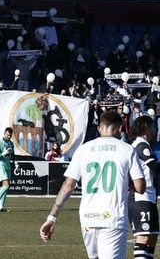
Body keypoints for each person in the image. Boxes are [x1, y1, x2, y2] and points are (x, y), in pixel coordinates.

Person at [39, 110, 146, 259]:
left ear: (99, 128)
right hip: (113, 218)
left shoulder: (83, 149)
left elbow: (67, 186)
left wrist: (52, 218)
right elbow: (140, 187)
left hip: (88, 218)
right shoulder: (127, 149)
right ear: (120, 128)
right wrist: (123, 181)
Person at [129, 115, 160, 259]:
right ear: (146, 128)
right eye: (153, 127)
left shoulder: (145, 145)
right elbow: (154, 166)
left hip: (150, 197)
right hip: (140, 196)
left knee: (153, 236)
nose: (155, 130)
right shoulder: (140, 145)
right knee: (144, 236)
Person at [0, 126, 16, 212]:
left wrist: (16, 162)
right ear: (4, 133)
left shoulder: (11, 143)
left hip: (8, 166)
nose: (8, 137)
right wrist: (3, 153)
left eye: (10, 135)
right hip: (1, 166)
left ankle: (1, 206)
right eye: (7, 135)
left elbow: (13, 155)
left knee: (5, 186)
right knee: (6, 185)